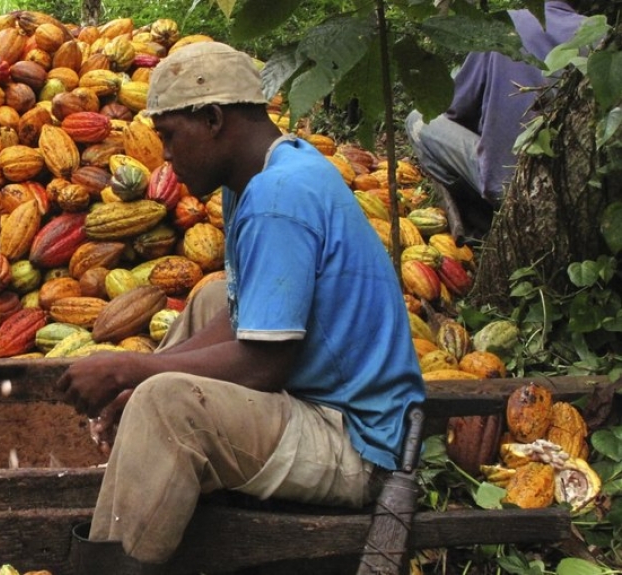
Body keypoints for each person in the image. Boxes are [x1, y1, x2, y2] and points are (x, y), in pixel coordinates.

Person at [58, 41, 426, 574]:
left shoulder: (278, 198)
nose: (163, 156)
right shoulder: (260, 175)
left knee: (168, 406)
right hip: (329, 400)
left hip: (358, 444)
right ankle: (146, 458)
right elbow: (244, 313)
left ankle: (111, 566)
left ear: (211, 119)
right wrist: (137, 381)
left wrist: (134, 370)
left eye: (169, 137)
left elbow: (263, 363)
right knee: (212, 296)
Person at [405, 0, 588, 237]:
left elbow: (455, 108)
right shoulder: (599, 36)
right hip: (576, 195)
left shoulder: (505, 25)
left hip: (515, 187)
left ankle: (483, 228)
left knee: (419, 120)